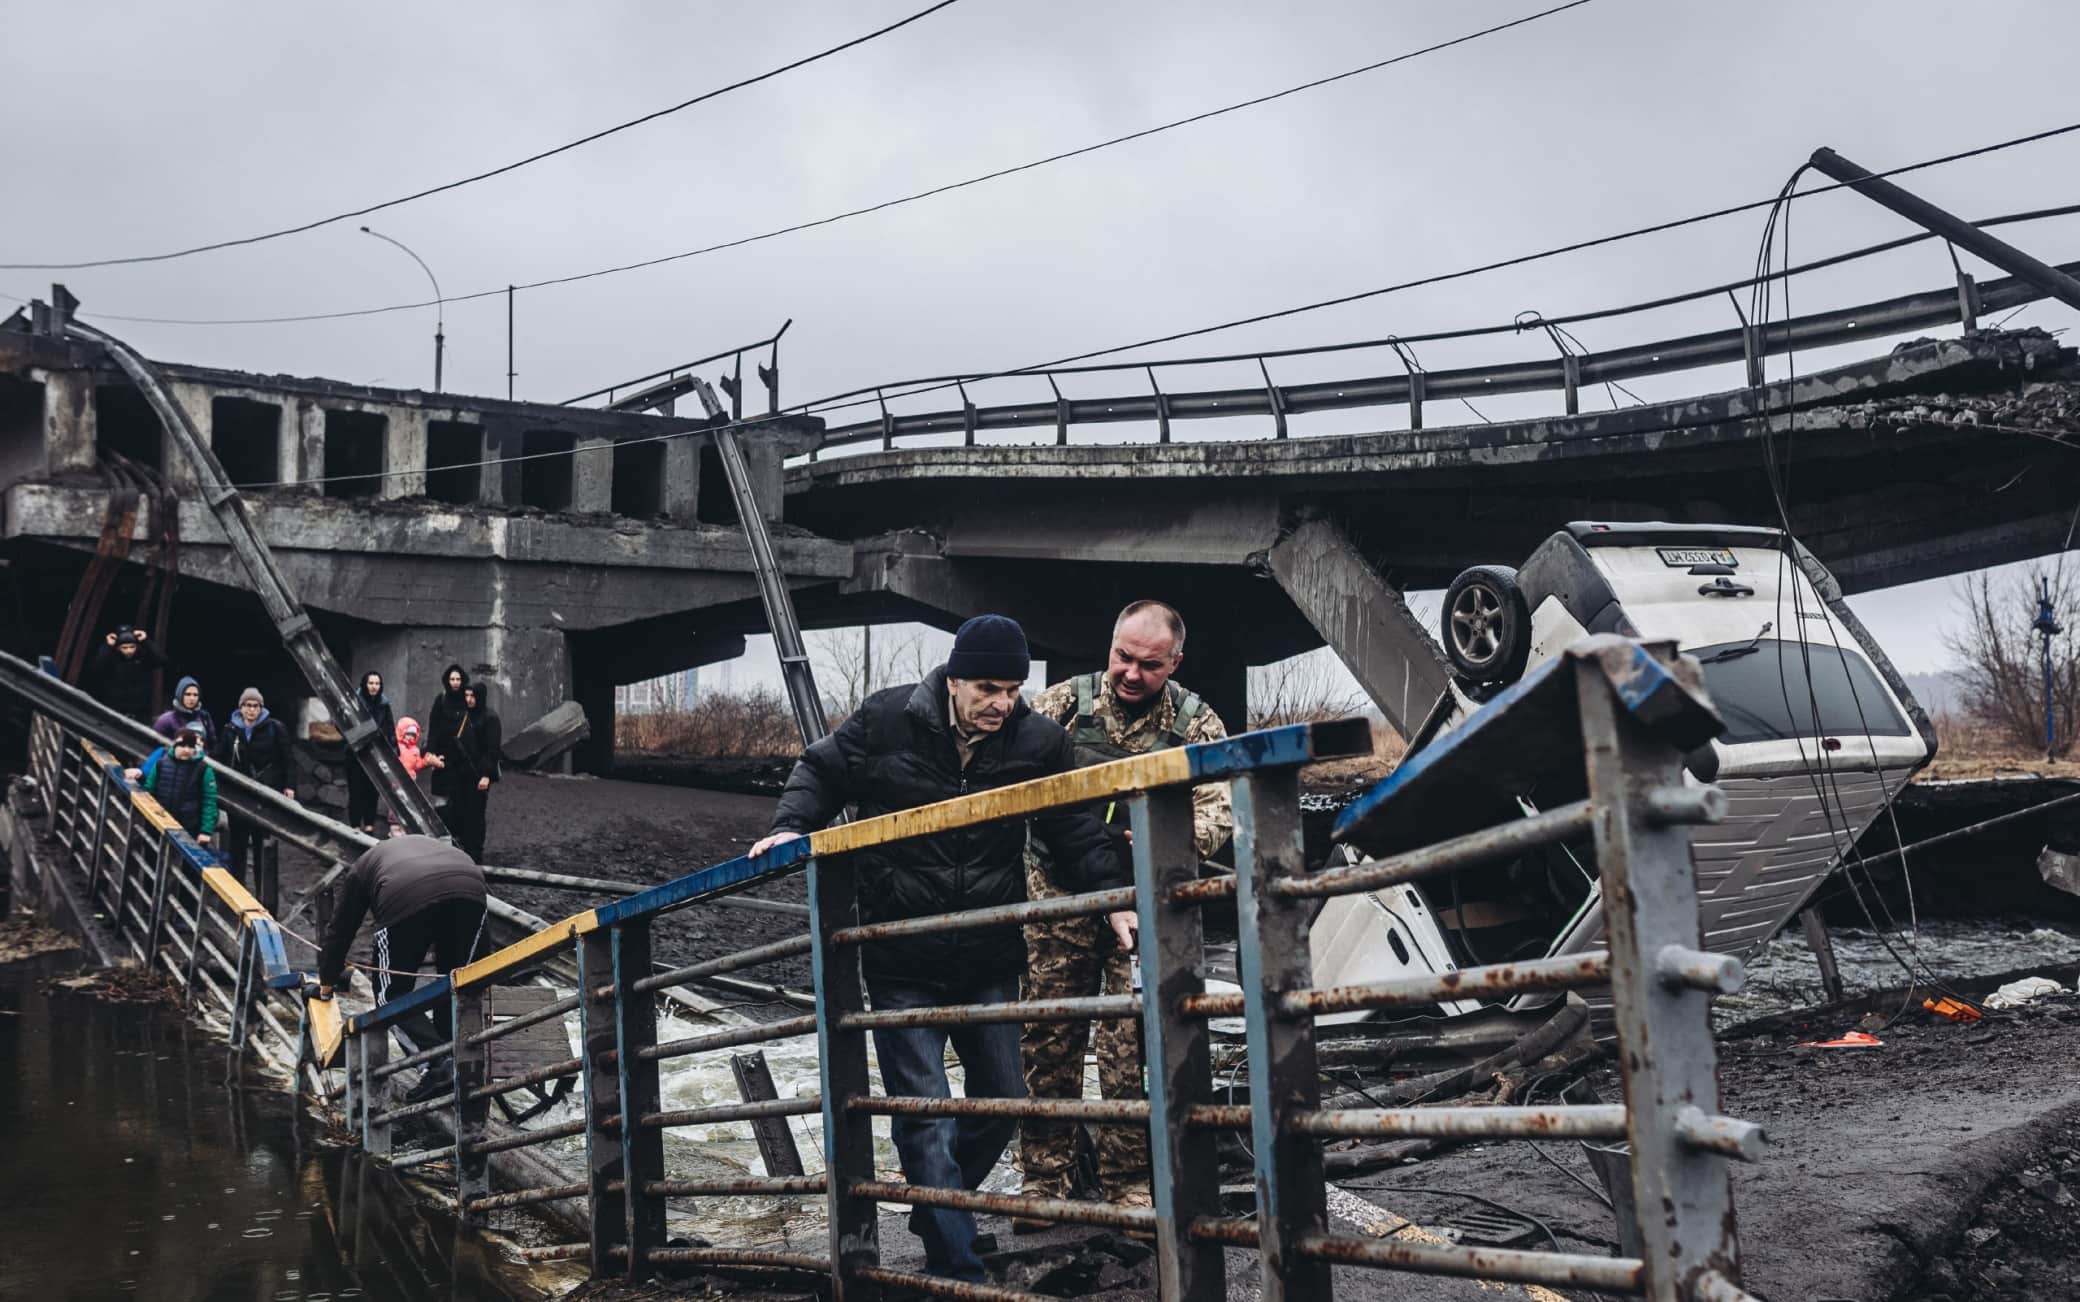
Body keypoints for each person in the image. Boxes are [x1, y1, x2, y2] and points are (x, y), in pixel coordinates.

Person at [750, 614, 1126, 1283]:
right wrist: (790, 828)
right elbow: (822, 768)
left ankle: (932, 1208)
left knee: (1003, 1099)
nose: (1000, 703)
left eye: (1012, 689)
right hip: (900, 954)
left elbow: (1074, 829)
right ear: (952, 679)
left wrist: (1115, 898)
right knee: (924, 1113)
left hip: (987, 953)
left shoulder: (1038, 741)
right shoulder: (887, 720)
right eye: (986, 687)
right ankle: (959, 1269)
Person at [1016, 600, 1232, 1228]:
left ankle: (1129, 1181)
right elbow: (1012, 778)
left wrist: (1169, 837)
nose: (1132, 674)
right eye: (1123, 658)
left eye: (1149, 665)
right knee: (1049, 1043)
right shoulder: (1062, 705)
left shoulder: (1196, 720)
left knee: (1131, 1050)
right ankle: (1044, 1182)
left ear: (1175, 663)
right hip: (1059, 901)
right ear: (1109, 646)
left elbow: (1222, 804)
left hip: (1145, 908)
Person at [316, 835, 487, 1100]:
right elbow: (477, 961)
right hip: (470, 887)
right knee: (458, 980)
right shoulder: (430, 846)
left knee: (390, 996)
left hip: (406, 894)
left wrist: (326, 983)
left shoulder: (362, 867)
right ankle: (456, 1058)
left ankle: (438, 1062)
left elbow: (341, 931)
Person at [216, 688, 296, 892]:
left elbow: (287, 759)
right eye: (247, 705)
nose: (251, 710)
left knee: (264, 847)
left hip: (265, 795)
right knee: (237, 846)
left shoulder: (274, 728)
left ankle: (264, 894)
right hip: (239, 796)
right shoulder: (230, 729)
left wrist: (289, 786)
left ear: (261, 708)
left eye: (256, 706)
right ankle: (237, 892)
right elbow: (220, 759)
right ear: (240, 707)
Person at [130, 724, 219, 848]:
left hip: (189, 828)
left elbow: (209, 801)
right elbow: (149, 790)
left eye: (190, 746)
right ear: (175, 745)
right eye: (182, 745)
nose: (186, 750)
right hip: (159, 823)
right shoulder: (161, 764)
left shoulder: (203, 769)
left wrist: (206, 831)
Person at [442, 683, 501, 863]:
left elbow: (492, 750)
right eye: (467, 695)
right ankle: (461, 851)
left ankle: (474, 854)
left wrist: (486, 775)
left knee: (475, 814)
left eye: (472, 696)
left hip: (478, 774)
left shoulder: (490, 718)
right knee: (458, 810)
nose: (469, 699)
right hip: (461, 773)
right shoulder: (465, 715)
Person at [345, 670, 396, 835]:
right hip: (356, 755)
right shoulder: (354, 703)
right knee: (356, 791)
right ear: (364, 684)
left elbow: (389, 728)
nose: (374, 687)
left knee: (372, 792)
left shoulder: (384, 705)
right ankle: (354, 827)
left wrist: (393, 750)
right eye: (371, 683)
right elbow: (342, 725)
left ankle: (369, 826)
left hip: (376, 754)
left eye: (377, 683)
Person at [86, 625, 165, 723]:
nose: (129, 651)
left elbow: (162, 660)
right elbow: (95, 668)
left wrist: (146, 641)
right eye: (124, 648)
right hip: (114, 710)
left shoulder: (143, 657)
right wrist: (107, 647)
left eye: (132, 647)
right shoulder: (111, 657)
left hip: (140, 712)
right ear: (118, 647)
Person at [389, 716, 441, 837]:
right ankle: (394, 827)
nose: (410, 737)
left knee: (408, 804)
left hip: (410, 782)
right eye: (408, 734)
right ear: (401, 732)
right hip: (395, 781)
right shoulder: (396, 747)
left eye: (413, 735)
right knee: (394, 804)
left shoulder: (415, 750)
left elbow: (417, 764)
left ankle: (403, 828)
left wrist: (426, 762)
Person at [153, 675, 219, 749]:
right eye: (187, 694)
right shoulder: (166, 720)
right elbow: (153, 747)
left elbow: (213, 745)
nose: (192, 698)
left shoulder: (204, 717)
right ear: (180, 695)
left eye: (195, 695)